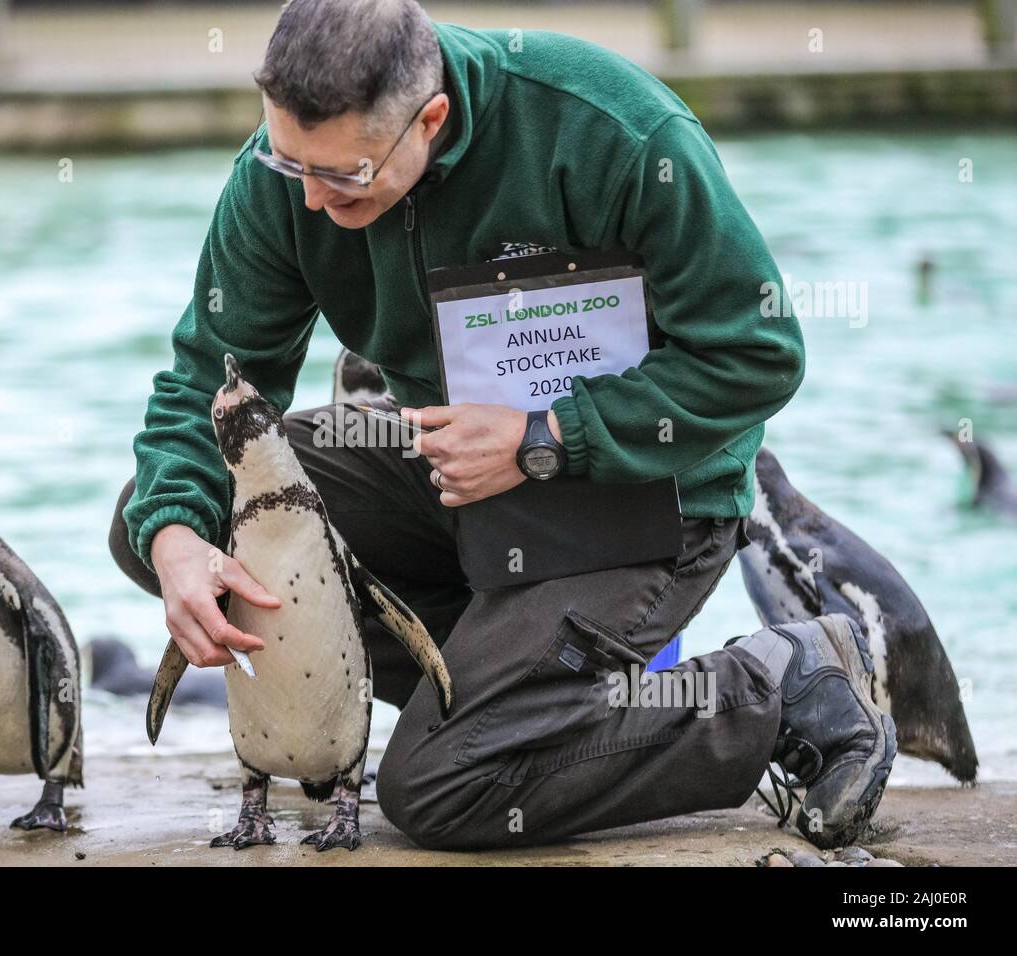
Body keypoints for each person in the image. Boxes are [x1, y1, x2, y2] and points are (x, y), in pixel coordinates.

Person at [109, 0, 895, 850]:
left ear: (431, 119)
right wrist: (177, 536)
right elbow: (208, 378)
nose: (303, 195)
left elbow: (758, 352)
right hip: (451, 473)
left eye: (340, 177)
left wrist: (545, 435)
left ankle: (776, 685)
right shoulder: (291, 176)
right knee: (160, 517)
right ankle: (523, 696)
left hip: (640, 493)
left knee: (441, 791)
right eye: (284, 159)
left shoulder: (614, 133)